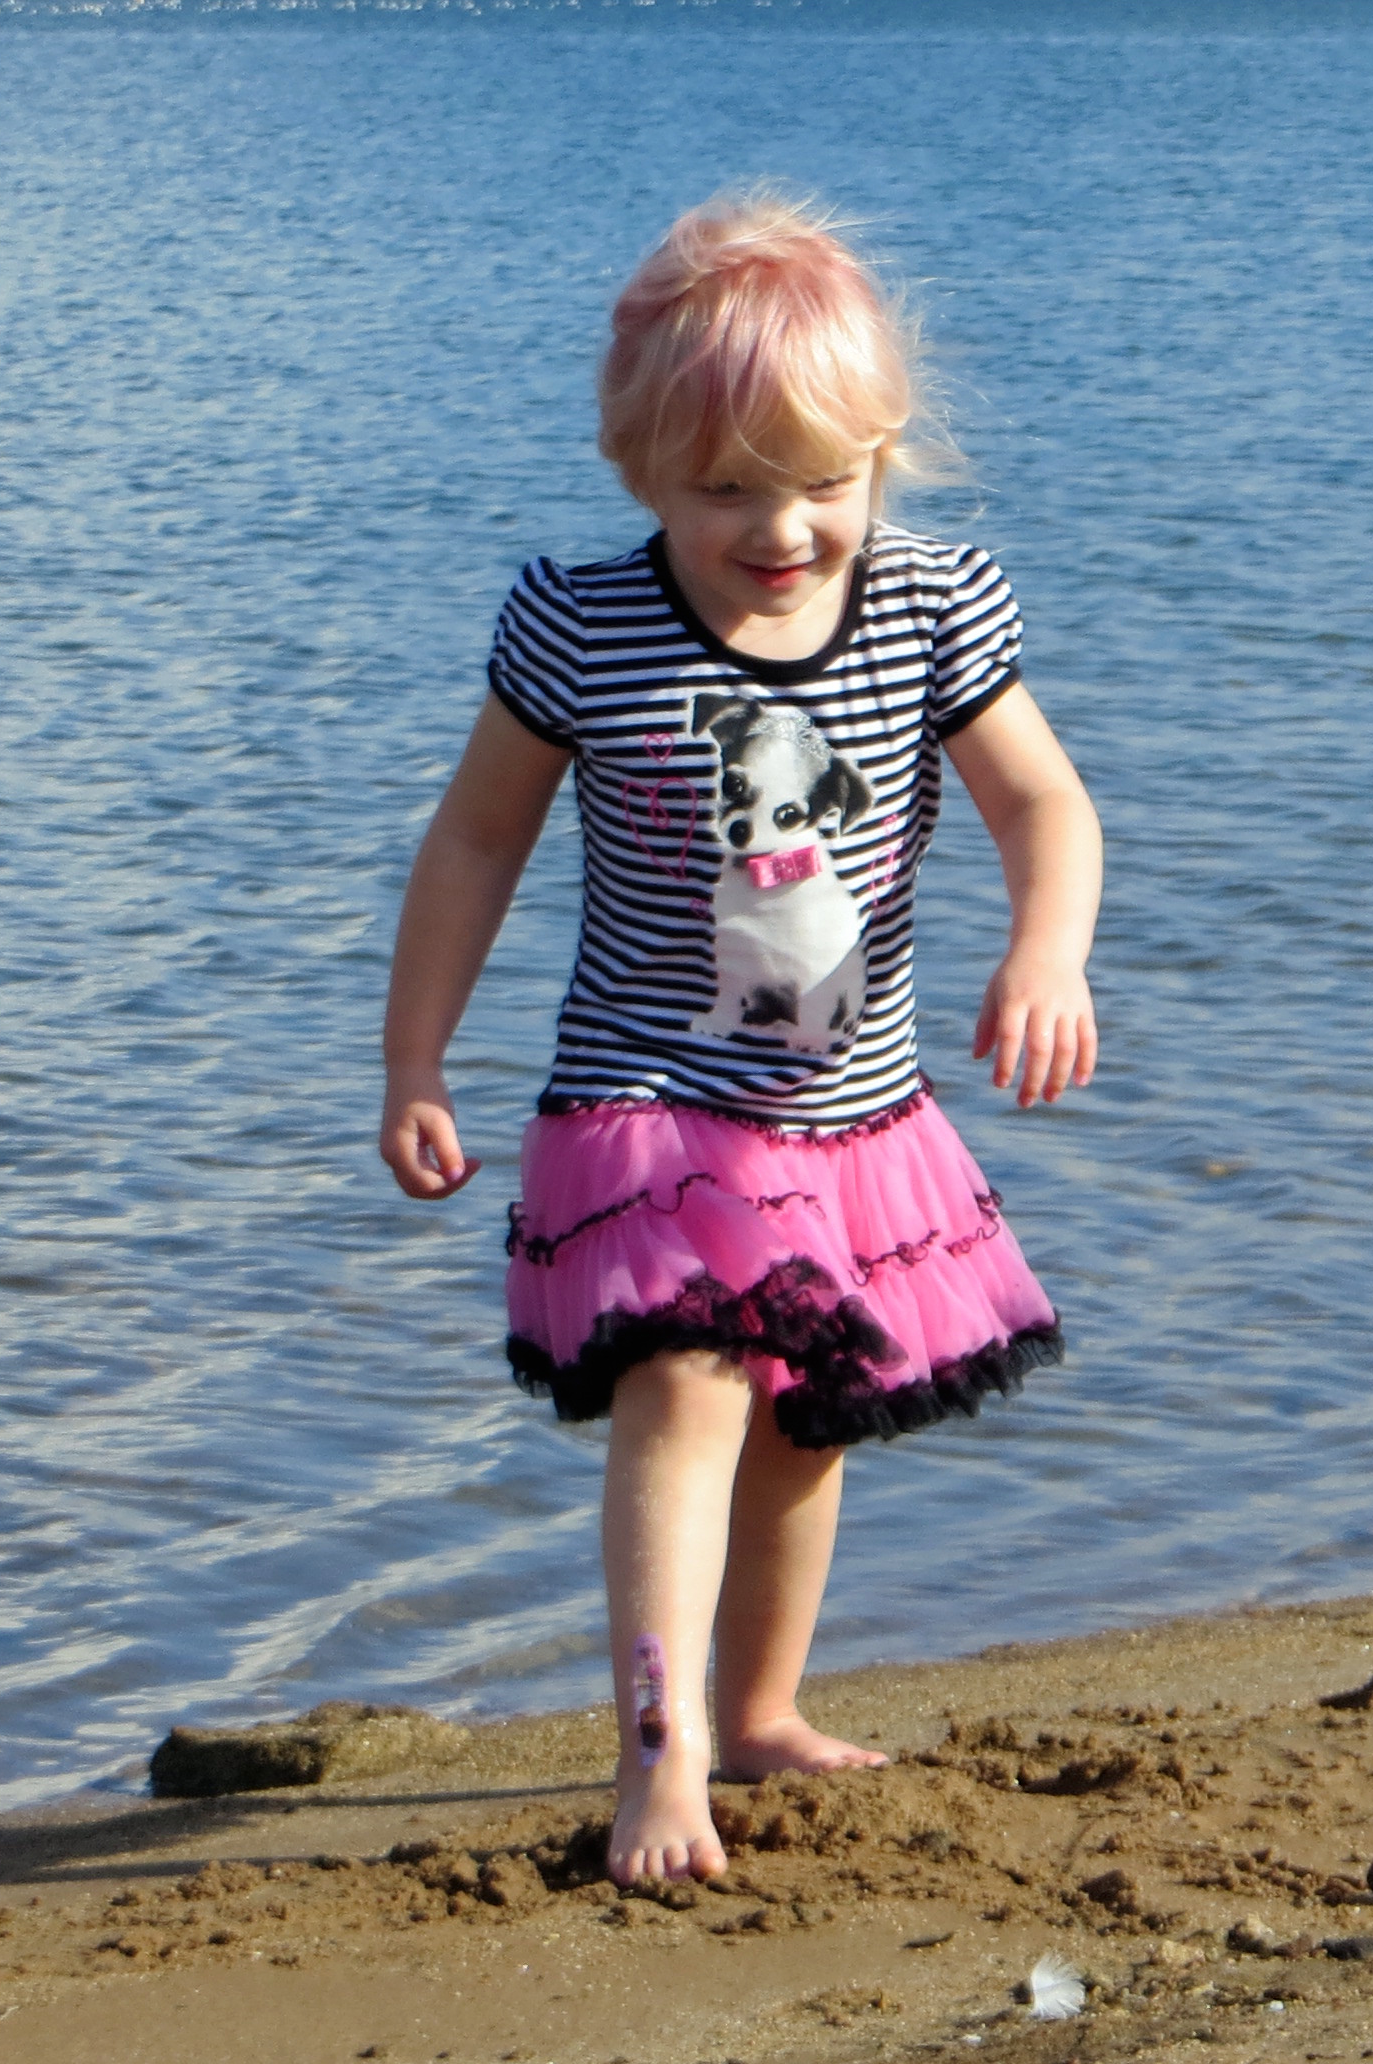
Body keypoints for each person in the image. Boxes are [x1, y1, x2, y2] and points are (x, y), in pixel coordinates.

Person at [377, 191, 1103, 1890]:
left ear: (884, 453)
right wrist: (415, 1062)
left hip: (850, 1116)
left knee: (803, 1422)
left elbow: (1045, 805)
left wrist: (1046, 952)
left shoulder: (930, 607)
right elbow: (473, 842)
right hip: (647, 1103)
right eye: (726, 490)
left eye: (823, 482)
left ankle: (760, 1708)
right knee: (689, 1384)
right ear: (639, 469)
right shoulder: (580, 625)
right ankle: (662, 1750)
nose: (782, 528)